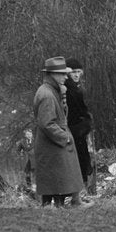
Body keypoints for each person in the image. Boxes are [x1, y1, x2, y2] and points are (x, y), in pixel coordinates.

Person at [32, 57, 84, 207]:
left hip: (52, 142)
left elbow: (58, 115)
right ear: (52, 74)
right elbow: (47, 123)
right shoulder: (46, 94)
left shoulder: (52, 91)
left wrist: (63, 97)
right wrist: (65, 137)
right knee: (55, 177)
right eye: (62, 74)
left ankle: (66, 203)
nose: (65, 77)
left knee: (58, 176)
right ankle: (59, 205)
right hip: (51, 142)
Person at [64, 57, 94, 206]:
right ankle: (76, 197)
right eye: (73, 72)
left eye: (78, 72)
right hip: (74, 132)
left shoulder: (76, 88)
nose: (76, 75)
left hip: (79, 132)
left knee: (82, 162)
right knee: (76, 163)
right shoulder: (68, 90)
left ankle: (79, 196)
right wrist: (83, 125)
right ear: (68, 73)